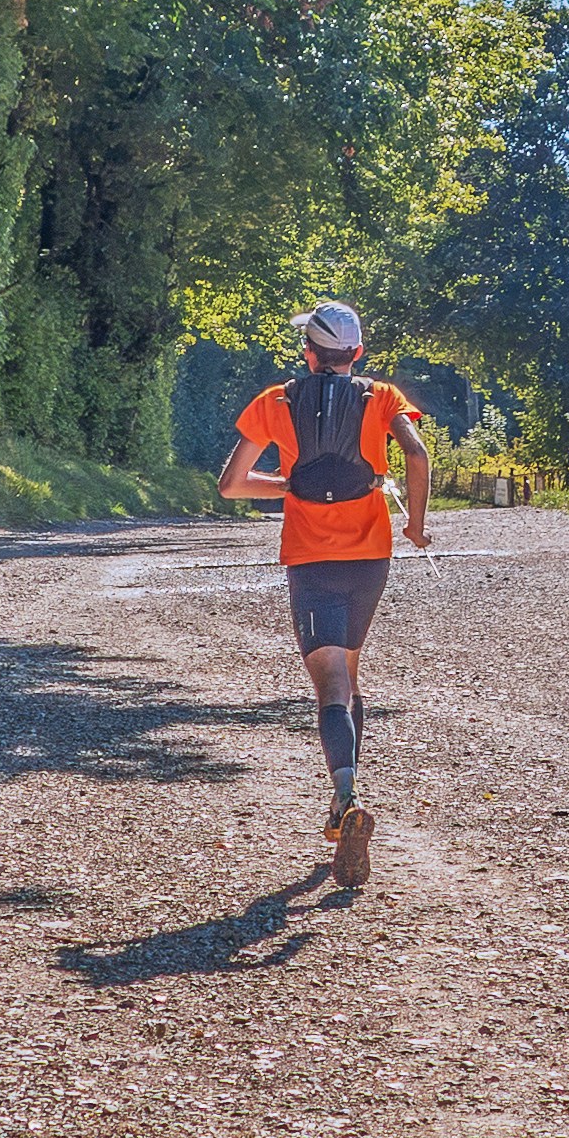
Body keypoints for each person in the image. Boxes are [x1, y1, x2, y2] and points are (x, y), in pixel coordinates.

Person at [219, 300, 430, 888]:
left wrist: (289, 481)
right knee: (352, 673)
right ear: (357, 353)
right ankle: (348, 796)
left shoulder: (275, 401)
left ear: (308, 354)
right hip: (371, 556)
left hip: (310, 559)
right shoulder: (383, 396)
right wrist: (415, 523)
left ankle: (344, 798)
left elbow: (232, 485)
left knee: (331, 683)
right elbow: (415, 453)